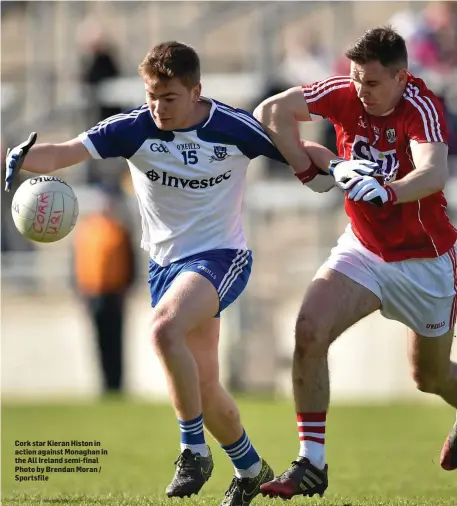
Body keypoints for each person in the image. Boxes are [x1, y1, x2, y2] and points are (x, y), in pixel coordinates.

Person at [4, 41, 306, 506]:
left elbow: (300, 153)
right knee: (204, 386)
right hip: (165, 265)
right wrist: (19, 158)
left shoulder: (231, 126)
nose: (157, 107)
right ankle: (249, 468)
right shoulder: (132, 128)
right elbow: (64, 152)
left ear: (195, 91)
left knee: (164, 329)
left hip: (222, 257)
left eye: (168, 98)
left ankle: (193, 452)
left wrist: (343, 169)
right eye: (151, 96)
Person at [253, 26, 457, 499]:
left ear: (402, 78)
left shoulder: (421, 104)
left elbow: (433, 172)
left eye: (371, 83)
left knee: (429, 377)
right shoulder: (345, 91)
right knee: (308, 330)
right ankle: (311, 463)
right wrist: (313, 169)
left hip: (424, 261)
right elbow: (272, 112)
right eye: (355, 79)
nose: (359, 91)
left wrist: (390, 190)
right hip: (363, 249)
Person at [73, 187, 136, 394]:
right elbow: (77, 264)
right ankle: (104, 385)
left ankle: (117, 385)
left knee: (116, 341)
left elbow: (130, 262)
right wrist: (80, 293)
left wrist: (126, 290)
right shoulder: (86, 231)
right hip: (93, 294)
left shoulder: (119, 230)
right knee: (99, 341)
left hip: (114, 294)